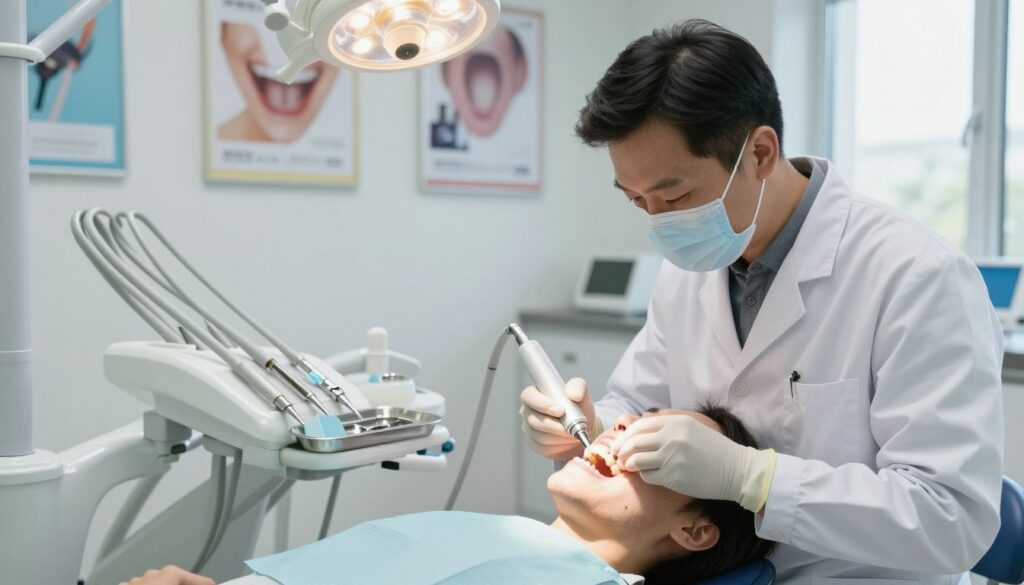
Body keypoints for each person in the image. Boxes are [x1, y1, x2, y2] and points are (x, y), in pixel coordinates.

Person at [520, 18, 1004, 585]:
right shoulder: (689, 274)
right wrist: (588, 424)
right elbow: (637, 403)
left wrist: (756, 479)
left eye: (675, 194)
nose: (659, 221)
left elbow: (952, 520)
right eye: (637, 200)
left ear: (760, 151)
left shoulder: (918, 276)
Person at [124, 405, 772, 585]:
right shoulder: (494, 533)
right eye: (639, 417)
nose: (626, 428)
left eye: (667, 447)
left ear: (694, 529)